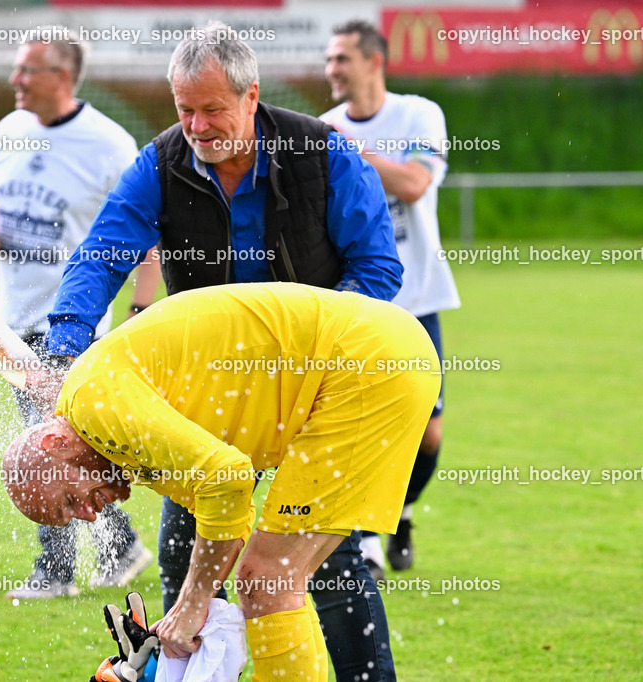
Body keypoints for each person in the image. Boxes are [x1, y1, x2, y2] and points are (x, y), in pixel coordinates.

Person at [46, 21, 406, 680]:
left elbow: (377, 272)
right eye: (186, 110)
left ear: (251, 97)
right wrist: (67, 349)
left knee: (328, 567)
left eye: (213, 109)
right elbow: (102, 255)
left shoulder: (324, 151)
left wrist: (307, 364)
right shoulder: (160, 163)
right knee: (188, 565)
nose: (198, 126)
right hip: (205, 407)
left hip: (314, 394)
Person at [5, 283, 441, 681]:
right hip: (377, 357)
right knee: (274, 581)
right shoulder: (104, 427)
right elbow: (225, 506)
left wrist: (193, 604)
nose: (89, 514)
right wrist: (188, 611)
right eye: (72, 518)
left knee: (268, 578)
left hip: (365, 364)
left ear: (54, 440)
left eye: (70, 500)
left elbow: (229, 479)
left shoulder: (94, 409)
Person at [0, 35, 157, 599]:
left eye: (27, 71)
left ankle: (54, 574)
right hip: (11, 321)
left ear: (63, 76)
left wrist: (138, 313)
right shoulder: (8, 129)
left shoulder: (109, 144)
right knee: (63, 445)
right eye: (16, 69)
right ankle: (121, 545)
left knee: (43, 448)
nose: (15, 81)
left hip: (73, 325)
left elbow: (147, 234)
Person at [322, 19, 461, 576]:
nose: (331, 70)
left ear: (374, 62)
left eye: (342, 59)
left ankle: (399, 511)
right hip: (355, 303)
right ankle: (367, 545)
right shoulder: (322, 127)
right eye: (328, 60)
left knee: (427, 434)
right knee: (360, 427)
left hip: (418, 297)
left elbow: (413, 184)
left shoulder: (419, 114)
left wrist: (352, 155)